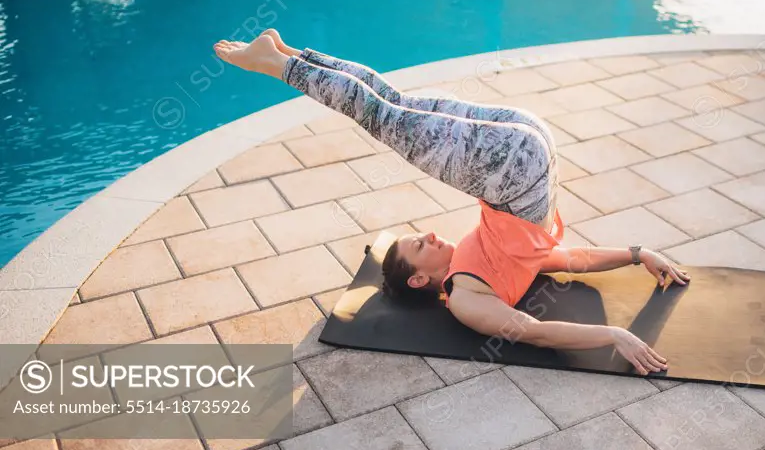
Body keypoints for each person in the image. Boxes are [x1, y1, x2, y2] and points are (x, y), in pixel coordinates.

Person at [214, 30, 690, 375]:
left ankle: (287, 53)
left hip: (524, 153)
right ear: (421, 278)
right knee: (382, 117)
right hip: (516, 170)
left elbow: (572, 259)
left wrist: (638, 255)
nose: (428, 234)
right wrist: (616, 331)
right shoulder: (466, 299)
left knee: (389, 101)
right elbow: (535, 325)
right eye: (418, 245)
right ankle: (275, 64)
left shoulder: (493, 260)